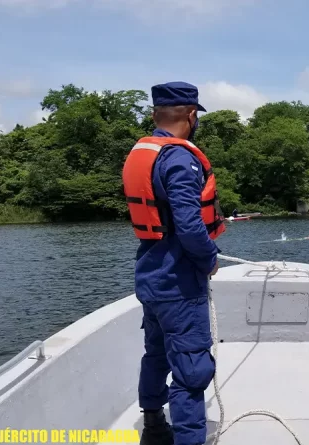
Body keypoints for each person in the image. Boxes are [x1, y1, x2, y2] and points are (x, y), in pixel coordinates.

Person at [122, 82, 225, 445]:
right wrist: (209, 258)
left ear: (156, 114)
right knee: (190, 371)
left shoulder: (143, 153)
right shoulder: (179, 158)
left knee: (156, 355)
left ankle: (153, 428)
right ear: (192, 115)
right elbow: (189, 224)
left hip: (151, 279)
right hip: (180, 285)